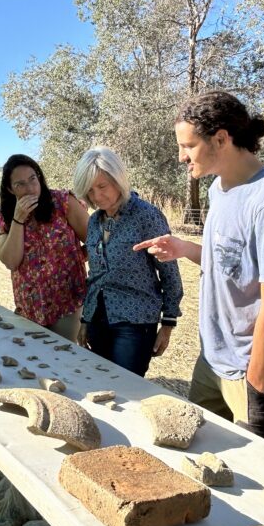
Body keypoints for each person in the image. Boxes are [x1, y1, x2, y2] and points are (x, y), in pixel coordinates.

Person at [134, 91, 264, 448]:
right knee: (201, 456)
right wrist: (184, 249)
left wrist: (257, 387)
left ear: (221, 139)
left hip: (253, 371)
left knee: (262, 479)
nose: (181, 156)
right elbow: (231, 264)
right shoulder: (218, 189)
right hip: (212, 360)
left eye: (188, 146)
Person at [72, 146, 183, 377]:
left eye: (102, 186)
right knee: (100, 383)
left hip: (135, 323)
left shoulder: (147, 216)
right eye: (90, 190)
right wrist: (85, 319)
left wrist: (168, 324)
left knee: (127, 389)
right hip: (97, 319)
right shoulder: (94, 222)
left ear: (118, 179)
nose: (97, 196)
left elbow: (169, 271)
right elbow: (95, 274)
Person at [0, 154, 88, 340]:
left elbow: (95, 239)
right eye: (20, 184)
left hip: (68, 301)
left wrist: (77, 258)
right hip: (30, 306)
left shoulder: (62, 202)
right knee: (36, 363)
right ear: (10, 189)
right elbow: (11, 261)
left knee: (65, 357)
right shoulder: (5, 218)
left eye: (33, 179)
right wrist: (18, 219)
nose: (30, 189)